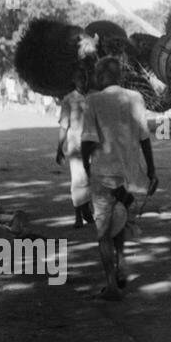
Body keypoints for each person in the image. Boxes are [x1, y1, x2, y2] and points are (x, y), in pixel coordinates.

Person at [81, 57, 157, 300]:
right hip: (129, 177)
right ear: (120, 75)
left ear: (101, 75)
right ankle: (122, 263)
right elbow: (145, 137)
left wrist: (85, 170)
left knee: (104, 233)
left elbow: (88, 141)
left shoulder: (93, 100)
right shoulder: (135, 98)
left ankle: (112, 284)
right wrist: (152, 171)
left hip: (103, 176)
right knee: (120, 222)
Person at [56, 71, 93, 227]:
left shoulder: (93, 98)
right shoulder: (68, 100)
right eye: (79, 77)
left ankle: (87, 212)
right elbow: (64, 126)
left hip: (92, 144)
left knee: (90, 179)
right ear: (74, 79)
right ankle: (78, 215)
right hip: (75, 145)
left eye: (84, 77)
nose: (82, 80)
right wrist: (59, 147)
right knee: (78, 180)